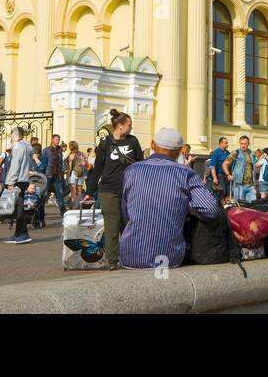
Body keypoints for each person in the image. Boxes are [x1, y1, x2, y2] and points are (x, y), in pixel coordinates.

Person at [118, 127, 219, 269]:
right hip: (168, 257)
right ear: (179, 151)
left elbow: (125, 213)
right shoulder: (186, 173)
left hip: (130, 255)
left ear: (152, 145)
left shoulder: (131, 171)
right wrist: (188, 208)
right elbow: (211, 210)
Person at [86, 109, 143, 270]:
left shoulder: (133, 142)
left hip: (129, 190)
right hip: (108, 190)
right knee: (112, 226)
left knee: (129, 225)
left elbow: (140, 164)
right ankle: (112, 261)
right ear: (120, 126)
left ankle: (129, 257)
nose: (131, 127)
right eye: (129, 125)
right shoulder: (105, 143)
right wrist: (89, 192)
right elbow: (97, 169)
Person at [2, 126, 37, 245]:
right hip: (24, 179)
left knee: (18, 207)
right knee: (18, 206)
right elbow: (34, 159)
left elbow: (15, 165)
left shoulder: (18, 146)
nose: (11, 137)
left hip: (17, 180)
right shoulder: (28, 146)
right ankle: (18, 233)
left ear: (15, 134)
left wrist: (10, 182)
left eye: (11, 135)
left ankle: (23, 234)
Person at [37, 134, 69, 225]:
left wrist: (62, 174)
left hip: (57, 176)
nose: (58, 141)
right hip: (48, 175)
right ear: (52, 140)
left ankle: (64, 215)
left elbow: (61, 162)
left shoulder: (60, 149)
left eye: (58, 139)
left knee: (60, 194)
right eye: (56, 139)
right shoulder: (46, 150)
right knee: (45, 195)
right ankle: (41, 218)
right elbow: (43, 163)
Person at [226, 135, 259, 204]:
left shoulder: (252, 153)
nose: (243, 145)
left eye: (245, 144)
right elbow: (224, 164)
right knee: (239, 206)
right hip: (238, 184)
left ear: (248, 144)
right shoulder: (236, 153)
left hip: (250, 186)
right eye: (241, 143)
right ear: (239, 143)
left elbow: (257, 164)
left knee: (252, 206)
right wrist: (228, 174)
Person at [206, 137, 231, 202]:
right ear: (221, 143)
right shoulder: (216, 153)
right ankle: (218, 208)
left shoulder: (227, 152)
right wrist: (215, 178)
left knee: (227, 193)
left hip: (226, 175)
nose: (227, 144)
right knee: (221, 193)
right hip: (219, 175)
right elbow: (212, 166)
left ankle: (225, 208)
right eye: (226, 143)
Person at [65, 141, 87, 208]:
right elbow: (84, 164)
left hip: (73, 174)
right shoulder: (82, 154)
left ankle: (74, 207)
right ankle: (79, 207)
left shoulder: (71, 155)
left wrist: (67, 176)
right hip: (81, 174)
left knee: (73, 192)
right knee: (79, 192)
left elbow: (70, 167)